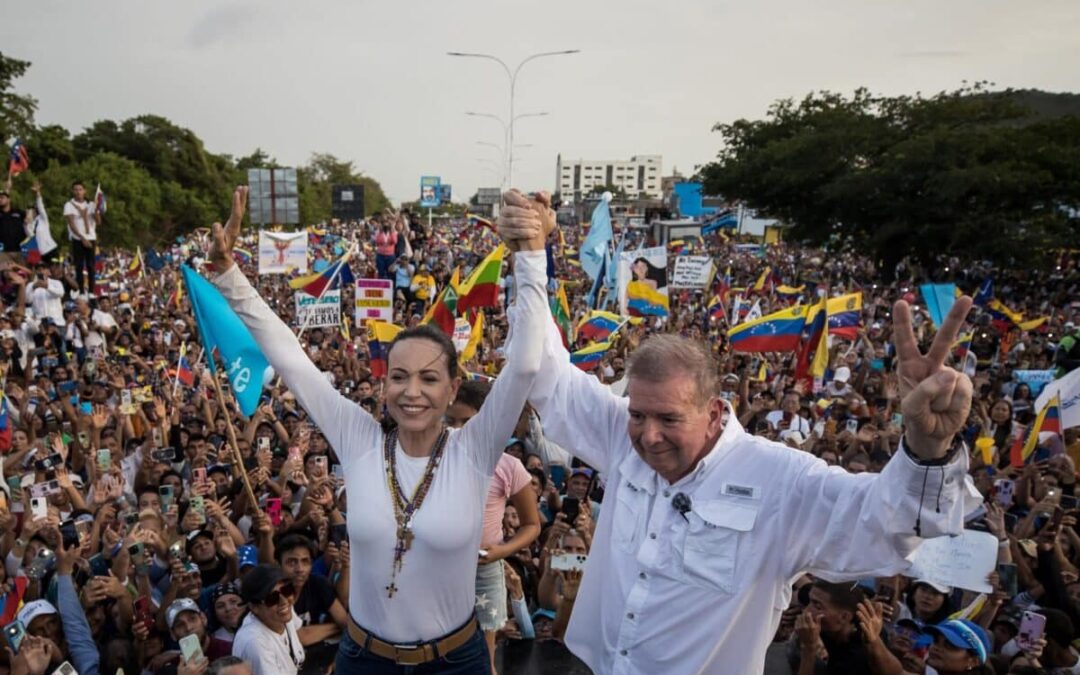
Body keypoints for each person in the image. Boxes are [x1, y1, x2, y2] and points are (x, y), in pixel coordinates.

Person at [500, 188, 981, 674]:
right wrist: (531, 254)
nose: (647, 436)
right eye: (638, 414)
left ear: (713, 411)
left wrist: (927, 445)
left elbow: (884, 527)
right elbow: (544, 368)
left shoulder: (781, 480)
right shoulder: (620, 438)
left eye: (669, 420)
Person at [208, 186, 551, 672]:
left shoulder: (474, 449)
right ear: (383, 383)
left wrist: (532, 255)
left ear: (454, 389)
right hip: (364, 659)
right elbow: (291, 358)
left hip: (455, 661)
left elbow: (525, 365)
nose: (413, 391)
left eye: (430, 379)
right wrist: (228, 275)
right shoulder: (358, 438)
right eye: (399, 376)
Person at [445, 379, 542, 674]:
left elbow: (531, 525)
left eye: (468, 421)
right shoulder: (433, 461)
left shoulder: (508, 467)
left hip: (485, 569)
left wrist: (501, 551)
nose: (458, 429)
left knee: (484, 654)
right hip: (439, 569)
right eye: (452, 421)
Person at [232, 564, 305, 675]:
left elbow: (301, 634)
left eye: (286, 590)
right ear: (254, 607)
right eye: (272, 598)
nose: (284, 601)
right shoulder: (255, 643)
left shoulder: (282, 613)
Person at [62, 181, 100, 296]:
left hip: (91, 236)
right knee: (79, 265)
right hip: (78, 238)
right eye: (76, 189)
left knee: (91, 265)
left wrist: (96, 213)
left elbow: (98, 222)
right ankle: (81, 290)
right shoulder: (69, 205)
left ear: (84, 191)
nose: (78, 192)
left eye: (80, 189)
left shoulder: (92, 204)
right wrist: (82, 238)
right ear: (73, 191)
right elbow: (71, 224)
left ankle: (91, 291)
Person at [24, 183, 59, 263]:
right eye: (28, 210)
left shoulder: (42, 219)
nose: (30, 212)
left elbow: (41, 206)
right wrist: (26, 224)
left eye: (31, 209)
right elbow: (30, 237)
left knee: (56, 270)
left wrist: (37, 193)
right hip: (39, 254)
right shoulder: (27, 225)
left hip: (51, 249)